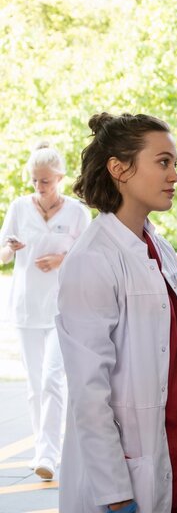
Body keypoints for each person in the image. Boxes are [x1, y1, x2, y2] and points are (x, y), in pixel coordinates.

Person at [56, 113, 177, 513]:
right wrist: (115, 493)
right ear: (119, 169)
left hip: (172, 448)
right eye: (163, 162)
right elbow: (88, 390)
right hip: (125, 474)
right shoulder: (92, 260)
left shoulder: (158, 248)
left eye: (175, 163)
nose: (175, 176)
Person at [0, 141, 90, 481]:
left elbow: (88, 257)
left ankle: (48, 455)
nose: (40, 187)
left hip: (61, 309)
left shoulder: (77, 213)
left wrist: (61, 259)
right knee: (35, 385)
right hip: (25, 308)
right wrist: (10, 246)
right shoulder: (19, 208)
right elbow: (2, 256)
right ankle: (42, 446)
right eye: (36, 181)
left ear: (61, 178)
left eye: (47, 181)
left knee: (53, 378)